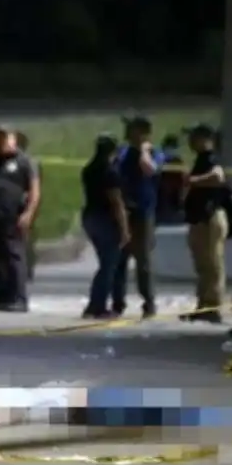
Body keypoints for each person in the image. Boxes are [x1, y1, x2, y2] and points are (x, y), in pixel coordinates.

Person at [0, 127, 39, 313]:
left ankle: (19, 298)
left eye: (5, 139)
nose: (1, 143)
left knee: (14, 257)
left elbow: (34, 191)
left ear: (14, 140)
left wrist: (28, 213)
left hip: (14, 216)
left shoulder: (25, 162)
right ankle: (3, 298)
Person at [113, 116, 166, 319]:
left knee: (143, 259)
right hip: (124, 210)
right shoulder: (123, 152)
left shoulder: (155, 153)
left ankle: (149, 301)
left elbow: (150, 169)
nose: (129, 134)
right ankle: (118, 302)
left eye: (133, 130)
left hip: (144, 211)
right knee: (120, 259)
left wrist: (144, 150)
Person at [80, 134, 132, 319]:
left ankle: (98, 303)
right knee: (109, 265)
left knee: (105, 262)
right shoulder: (110, 172)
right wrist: (125, 229)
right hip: (106, 219)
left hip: (90, 216)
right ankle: (97, 305)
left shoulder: (88, 169)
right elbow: (116, 202)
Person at [182, 124, 229, 323]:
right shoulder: (200, 159)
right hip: (199, 219)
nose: (191, 141)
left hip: (210, 219)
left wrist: (193, 181)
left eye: (195, 136)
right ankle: (203, 306)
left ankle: (213, 306)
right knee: (203, 265)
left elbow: (218, 176)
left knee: (213, 264)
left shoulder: (211, 157)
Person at [15, 130, 41, 282]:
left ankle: (27, 268)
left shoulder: (29, 162)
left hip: (25, 203)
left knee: (26, 237)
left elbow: (35, 185)